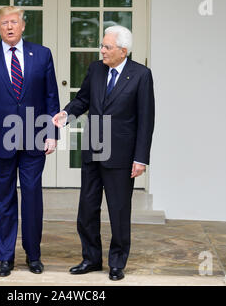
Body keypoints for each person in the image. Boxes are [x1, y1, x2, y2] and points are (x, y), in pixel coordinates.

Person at [53, 25, 155, 281]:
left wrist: (141, 158)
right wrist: (67, 113)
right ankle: (91, 258)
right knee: (87, 209)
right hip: (93, 150)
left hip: (121, 155)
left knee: (119, 211)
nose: (102, 51)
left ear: (123, 50)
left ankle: (117, 262)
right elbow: (83, 99)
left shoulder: (141, 75)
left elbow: (146, 120)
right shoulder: (96, 69)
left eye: (107, 47)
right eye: (102, 45)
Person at [0, 6, 60, 277]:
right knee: (1, 200)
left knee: (32, 198)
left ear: (23, 26)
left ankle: (33, 255)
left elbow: (51, 98)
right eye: (4, 23)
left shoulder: (42, 55)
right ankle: (5, 257)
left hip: (34, 138)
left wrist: (52, 134)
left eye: (14, 22)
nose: (9, 27)